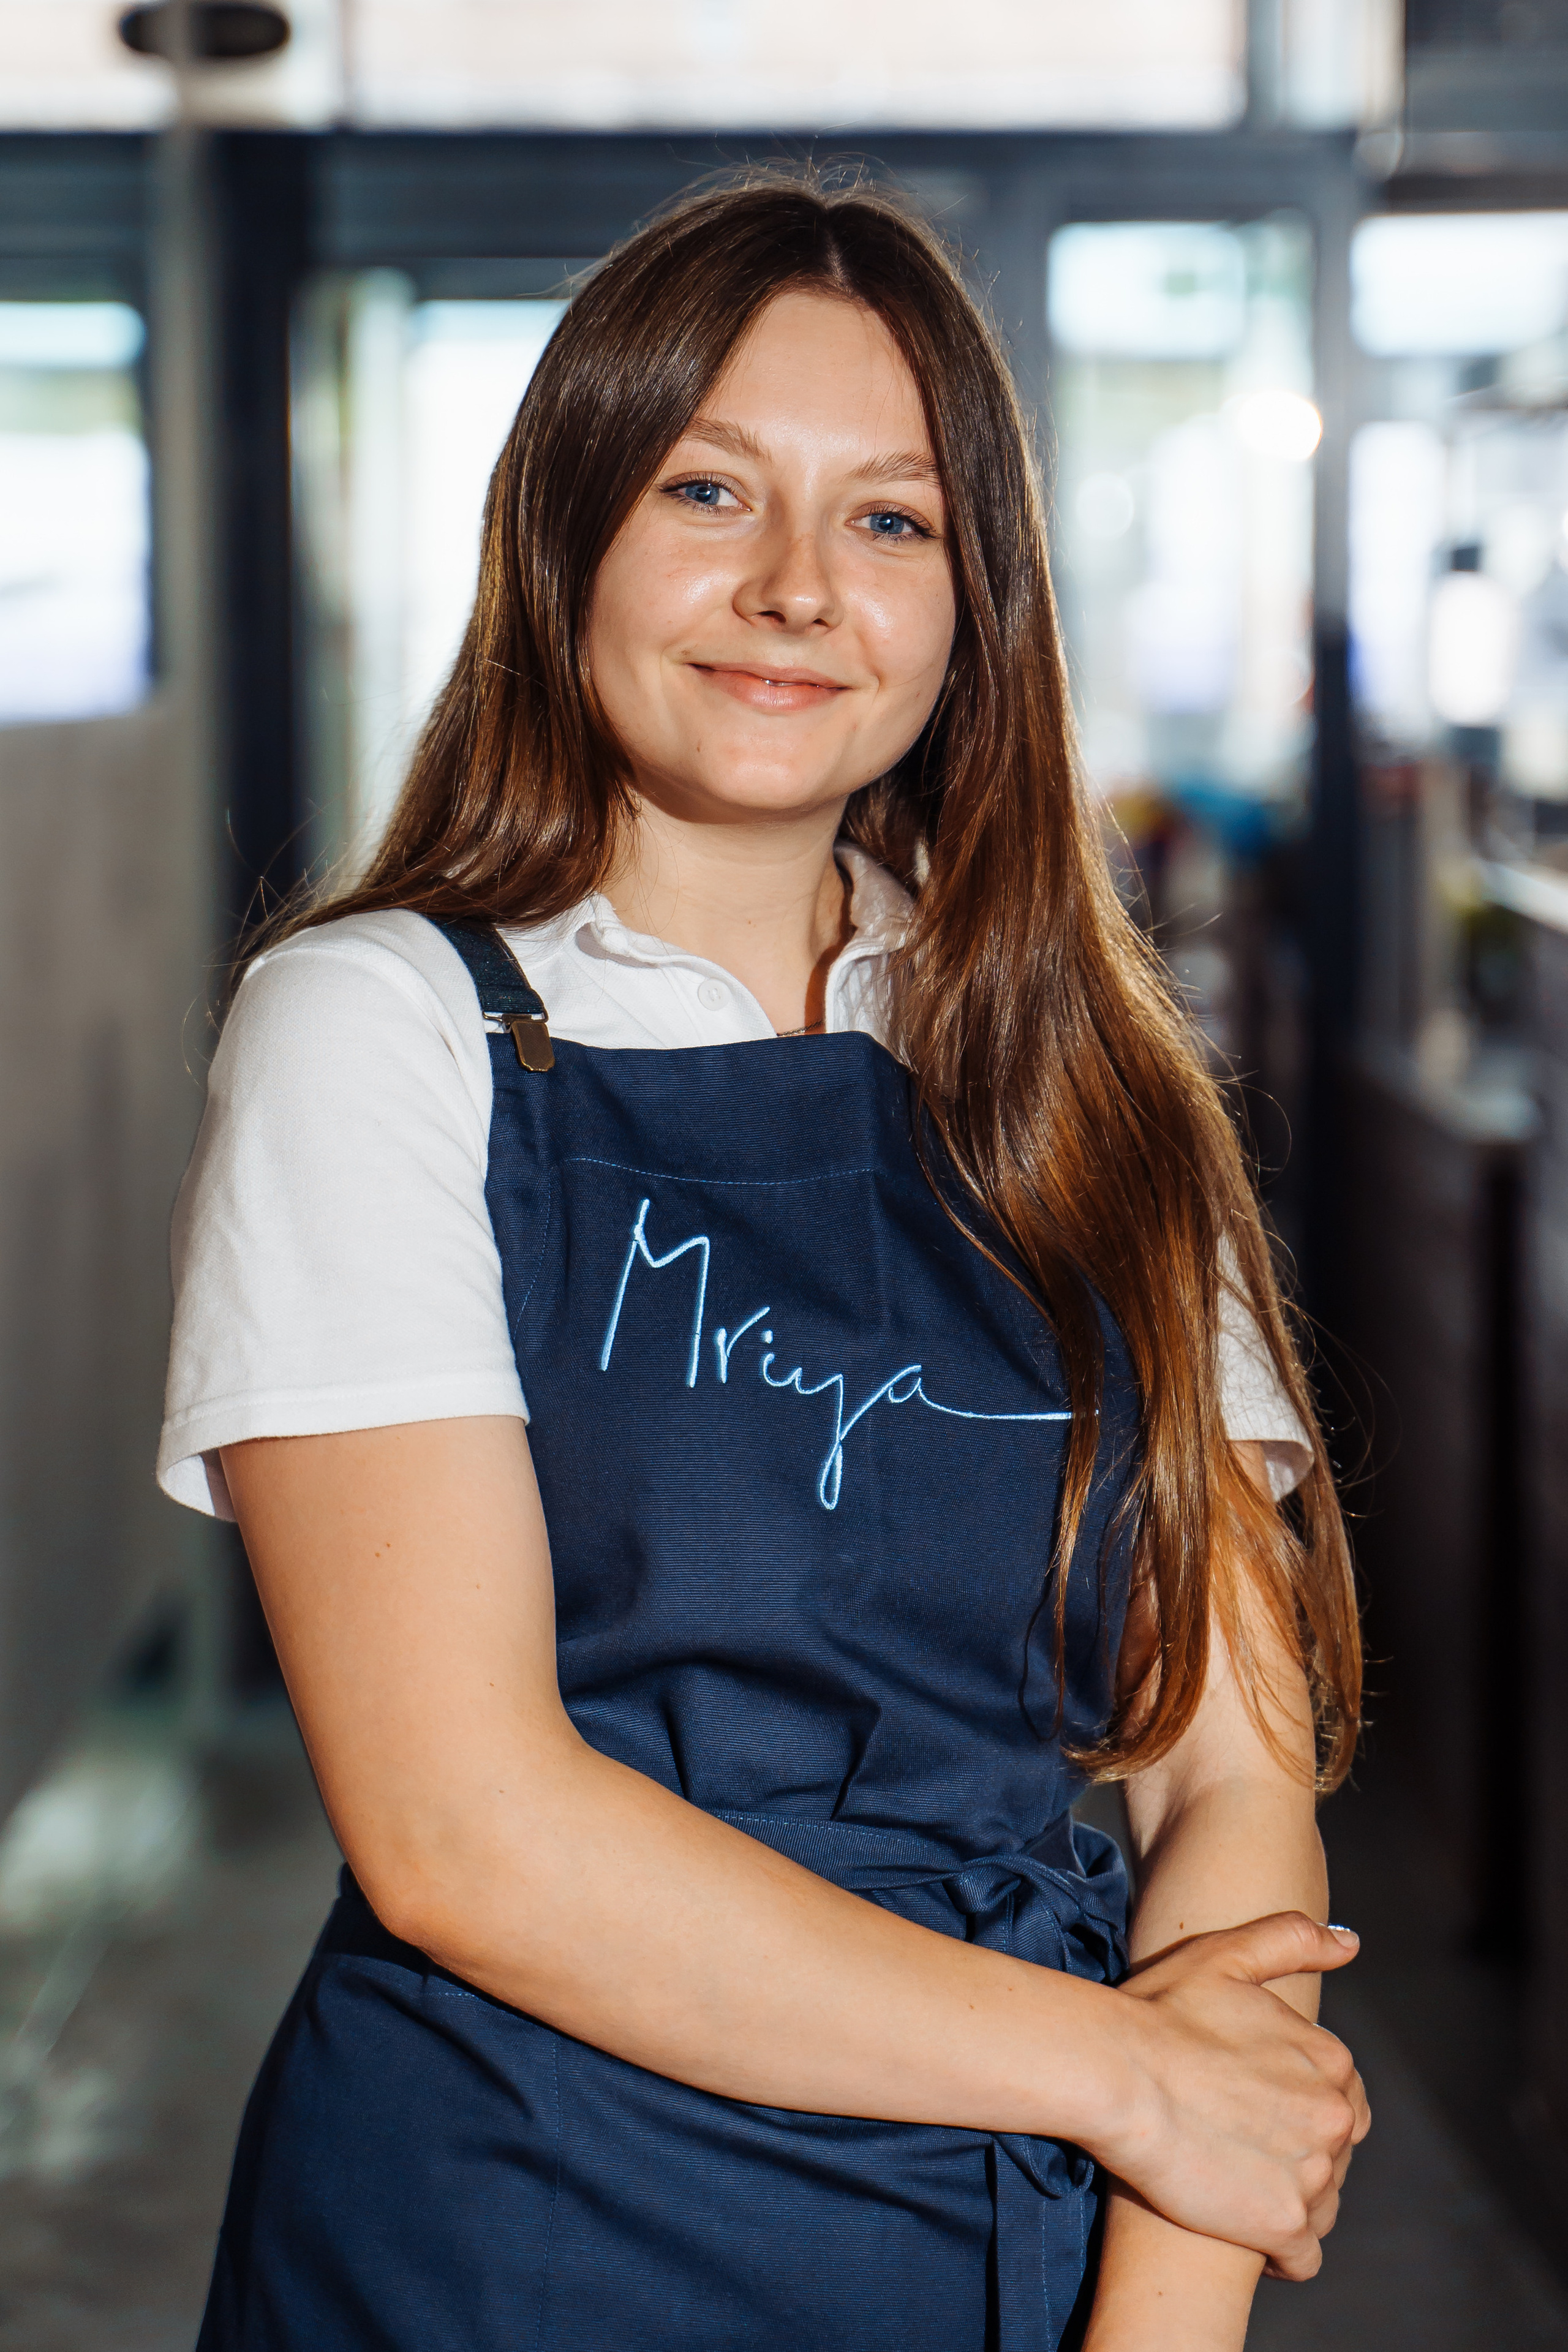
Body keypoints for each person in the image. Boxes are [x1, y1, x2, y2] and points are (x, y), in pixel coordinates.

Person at [159, 172, 1368, 2352]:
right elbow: (463, 1830)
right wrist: (1129, 2079)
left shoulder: (1083, 1080)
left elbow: (1229, 1773)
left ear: (976, 598)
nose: (799, 589)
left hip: (1035, 2250)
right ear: (569, 536)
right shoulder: (392, 1028)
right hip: (520, 2236)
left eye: (893, 522)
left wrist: (1157, 2321)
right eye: (710, 488)